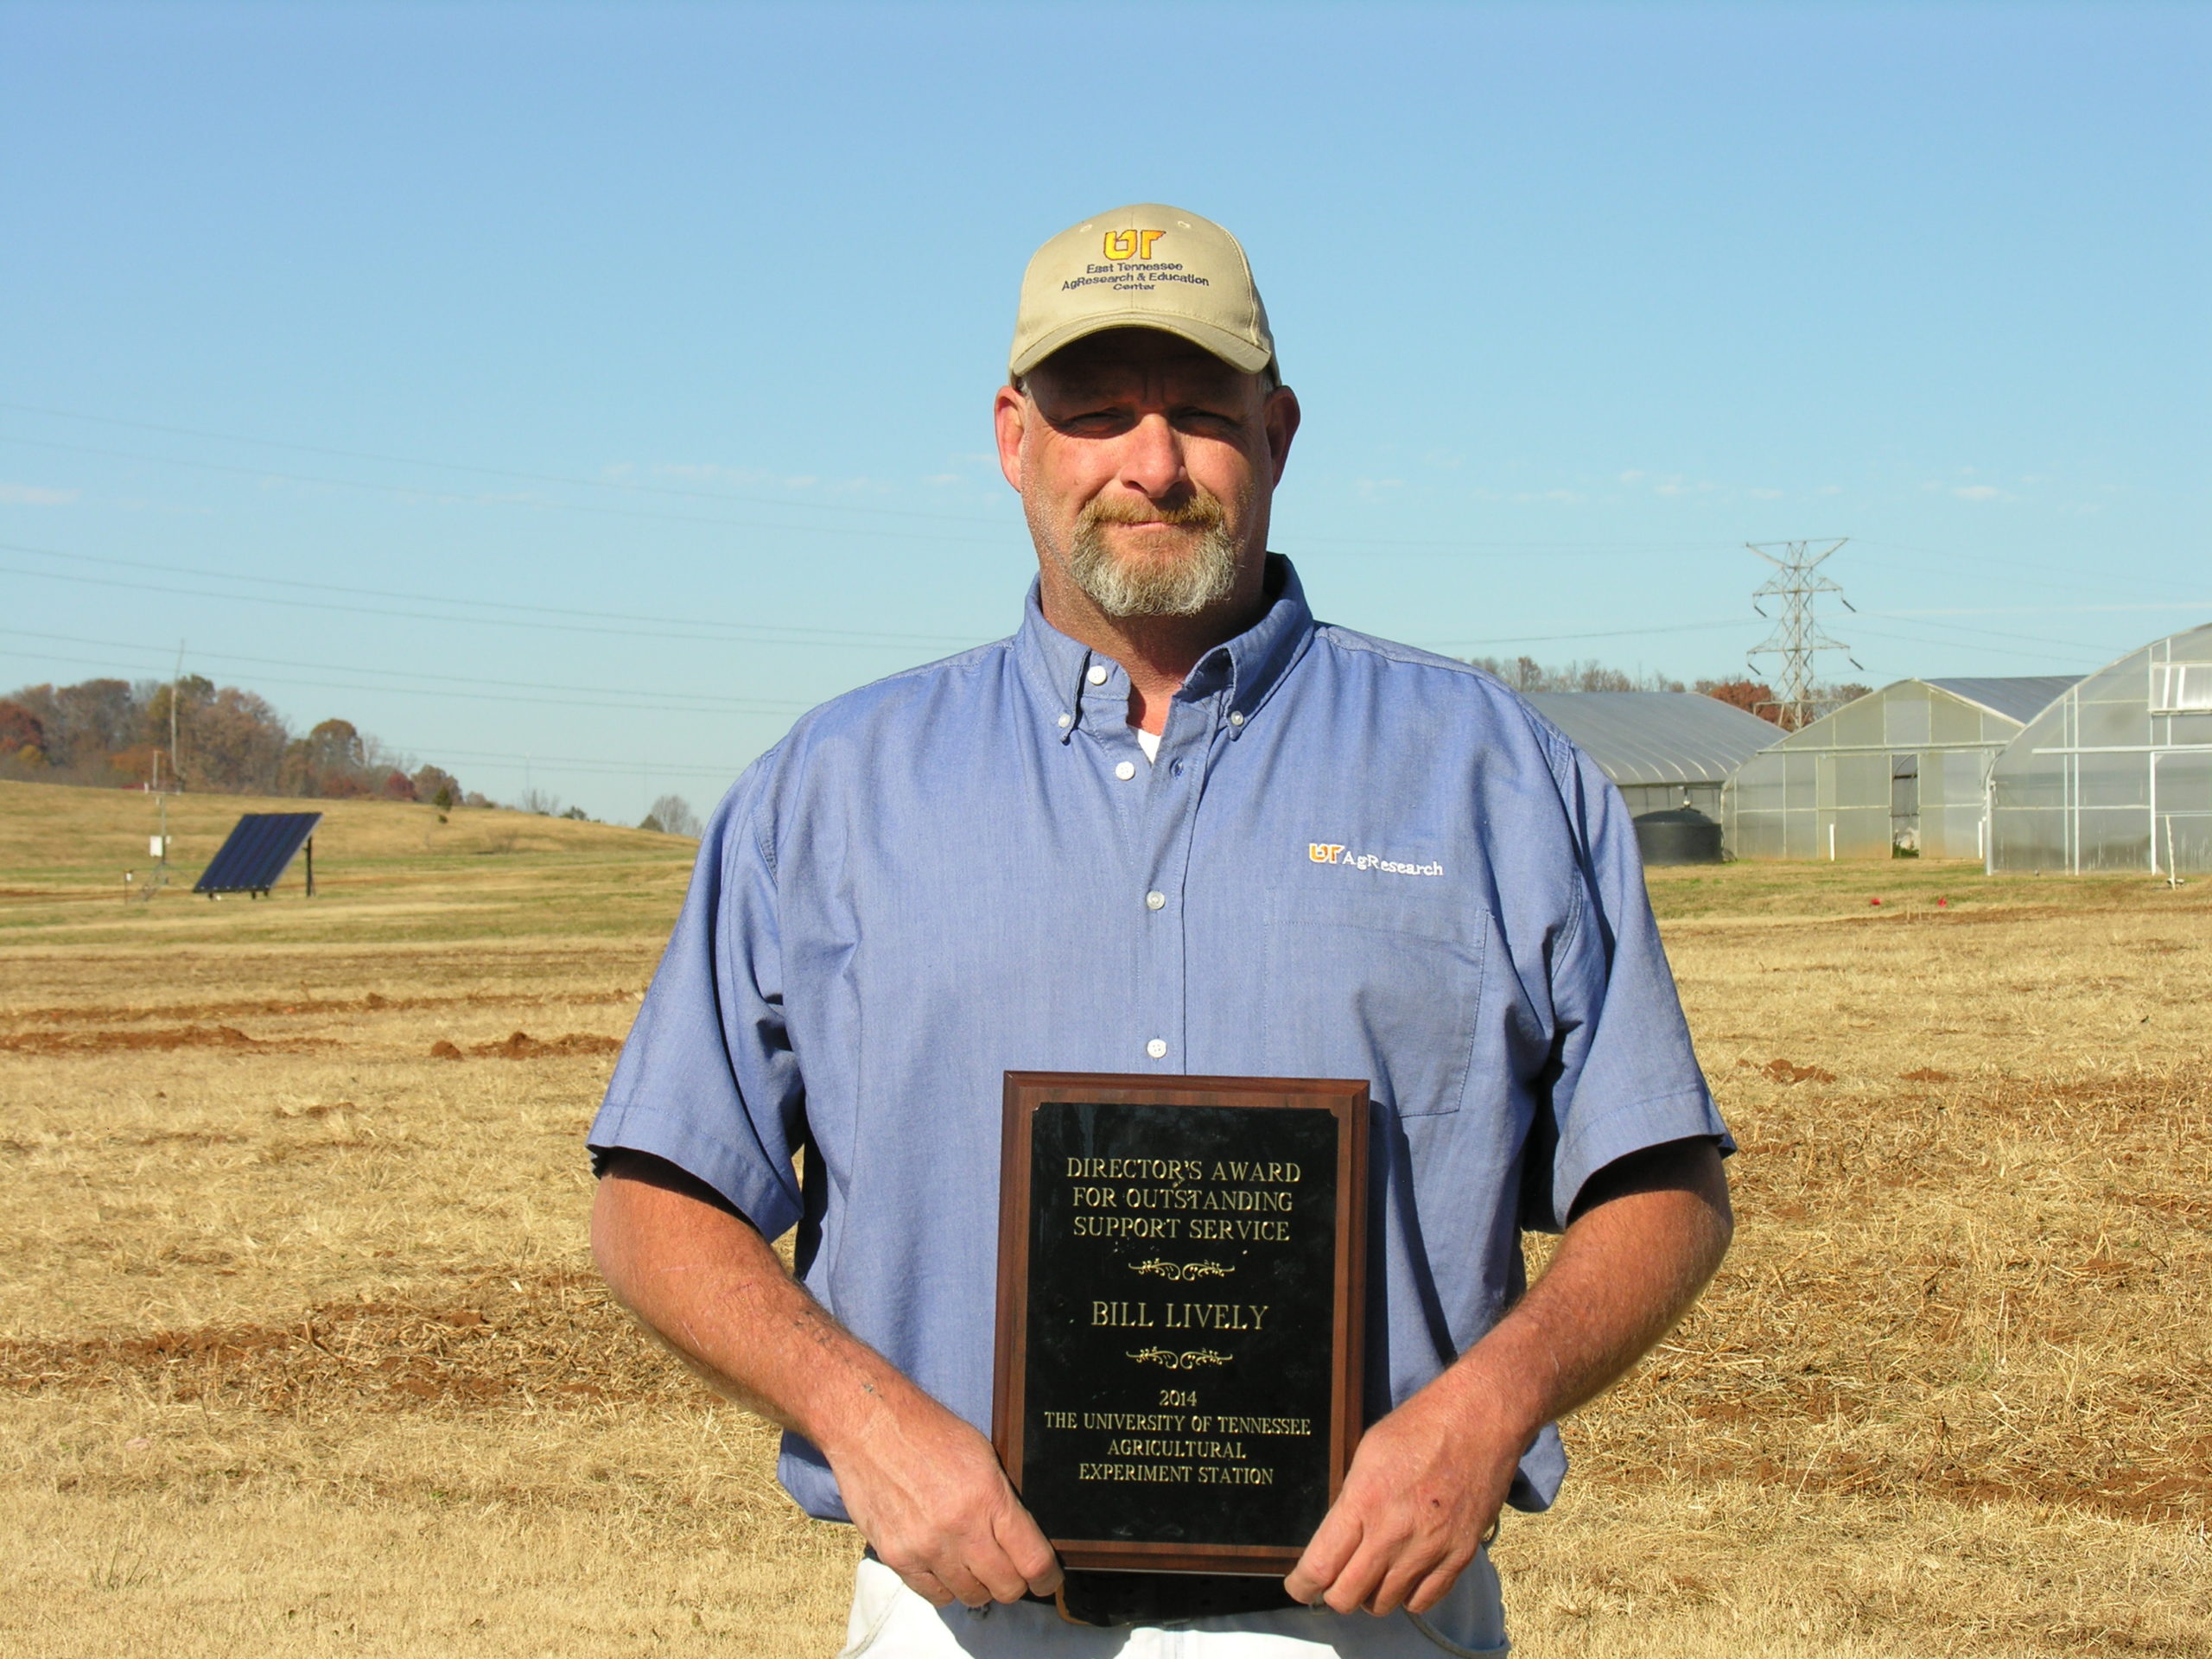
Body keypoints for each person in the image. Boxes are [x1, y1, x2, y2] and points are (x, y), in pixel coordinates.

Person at [588, 204, 1734, 1656]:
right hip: (963, 1614)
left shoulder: (1495, 773)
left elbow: (1668, 1182)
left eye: (1201, 411)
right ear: (1014, 436)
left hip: (1365, 1622)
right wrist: (859, 1417)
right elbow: (651, 1199)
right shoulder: (830, 791)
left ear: (1280, 431)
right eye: (1096, 412)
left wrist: (1487, 1409)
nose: (1152, 462)